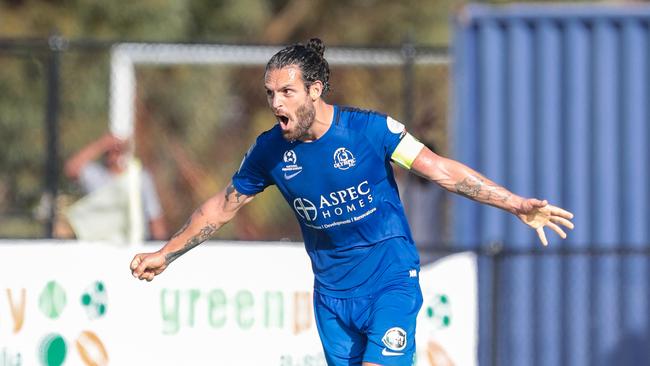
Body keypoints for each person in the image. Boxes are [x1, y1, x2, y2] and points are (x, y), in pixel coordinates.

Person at [129, 38, 574, 366]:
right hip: (332, 297)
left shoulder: (371, 131)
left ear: (316, 89)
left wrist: (515, 203)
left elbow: (441, 171)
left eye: (287, 92)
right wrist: (166, 253)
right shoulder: (269, 152)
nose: (275, 103)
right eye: (270, 94)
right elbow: (221, 207)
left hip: (390, 280)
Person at [64, 133, 168, 240]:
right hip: (98, 243)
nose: (115, 155)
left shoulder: (139, 177)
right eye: (110, 151)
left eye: (119, 150)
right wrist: (102, 144)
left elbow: (155, 216)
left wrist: (160, 248)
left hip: (134, 243)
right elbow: (71, 168)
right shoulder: (95, 174)